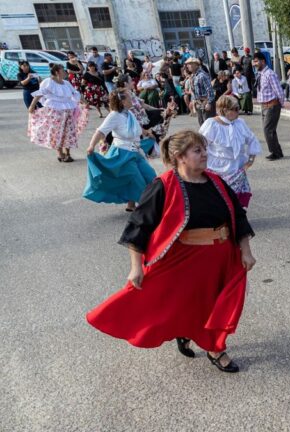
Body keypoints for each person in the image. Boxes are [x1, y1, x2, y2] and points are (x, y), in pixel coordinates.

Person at [86, 130, 256, 374]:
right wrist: (136, 268)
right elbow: (138, 227)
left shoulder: (217, 182)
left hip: (221, 259)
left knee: (219, 305)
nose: (205, 154)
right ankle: (206, 343)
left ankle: (207, 343)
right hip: (184, 261)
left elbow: (238, 216)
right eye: (197, 150)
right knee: (187, 304)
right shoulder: (163, 186)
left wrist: (245, 250)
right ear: (180, 157)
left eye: (204, 149)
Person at [83, 88, 157, 211]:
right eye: (129, 97)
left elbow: (136, 128)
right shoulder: (114, 116)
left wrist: (147, 133)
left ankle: (131, 204)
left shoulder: (129, 113)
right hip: (123, 154)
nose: (132, 99)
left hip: (136, 152)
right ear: (122, 102)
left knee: (150, 175)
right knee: (136, 181)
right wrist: (91, 146)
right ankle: (147, 209)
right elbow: (101, 131)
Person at [200, 96, 262, 208]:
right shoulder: (211, 124)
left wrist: (250, 161)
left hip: (236, 169)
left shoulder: (240, 123)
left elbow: (252, 139)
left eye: (238, 108)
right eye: (236, 109)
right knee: (218, 199)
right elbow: (200, 145)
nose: (239, 111)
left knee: (236, 200)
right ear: (225, 110)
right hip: (216, 170)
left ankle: (236, 220)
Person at [27, 64, 88, 162]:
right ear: (57, 72)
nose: (65, 72)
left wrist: (85, 102)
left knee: (69, 132)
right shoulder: (48, 82)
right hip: (55, 110)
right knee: (57, 132)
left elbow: (75, 93)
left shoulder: (66, 83)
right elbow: (39, 94)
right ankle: (60, 153)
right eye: (62, 70)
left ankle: (68, 153)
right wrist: (32, 106)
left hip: (68, 109)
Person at [254, 51, 285, 161]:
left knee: (268, 130)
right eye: (254, 61)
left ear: (263, 61)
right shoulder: (261, 74)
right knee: (270, 130)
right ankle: (278, 152)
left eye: (256, 61)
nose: (254, 64)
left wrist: (280, 104)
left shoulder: (270, 74)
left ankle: (275, 152)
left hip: (272, 105)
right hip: (264, 106)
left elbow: (279, 91)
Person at [187, 57, 215, 126]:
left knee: (208, 124)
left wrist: (209, 103)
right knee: (201, 124)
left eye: (190, 64)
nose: (188, 66)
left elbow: (210, 90)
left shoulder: (202, 75)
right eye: (187, 64)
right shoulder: (193, 76)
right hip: (198, 103)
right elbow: (194, 91)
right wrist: (193, 102)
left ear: (196, 65)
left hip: (206, 102)